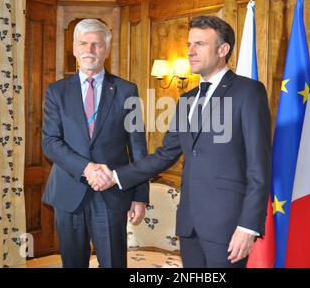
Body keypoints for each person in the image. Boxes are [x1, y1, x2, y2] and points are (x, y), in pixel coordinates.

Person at [90, 16, 271, 268]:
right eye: (189, 44)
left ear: (223, 49)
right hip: (189, 225)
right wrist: (117, 176)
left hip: (228, 225)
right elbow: (165, 155)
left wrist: (248, 226)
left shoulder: (248, 92)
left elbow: (259, 166)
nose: (190, 51)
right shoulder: (187, 99)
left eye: (199, 44)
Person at [41, 19, 148, 268]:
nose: (89, 49)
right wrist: (87, 168)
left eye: (96, 44)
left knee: (113, 263)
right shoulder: (56, 91)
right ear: (75, 49)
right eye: (83, 44)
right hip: (68, 192)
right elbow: (50, 142)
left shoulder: (126, 90)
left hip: (112, 195)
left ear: (106, 50)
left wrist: (140, 196)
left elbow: (138, 146)